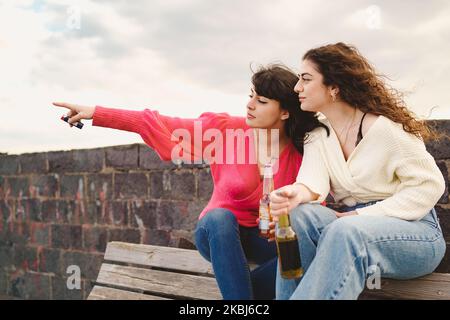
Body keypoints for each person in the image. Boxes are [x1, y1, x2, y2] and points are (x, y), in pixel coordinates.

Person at [52, 64, 327, 300]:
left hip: (265, 240)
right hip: (218, 235)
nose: (250, 105)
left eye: (262, 101)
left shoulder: (304, 150)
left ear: (285, 113)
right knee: (220, 218)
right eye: (250, 96)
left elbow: (316, 200)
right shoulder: (226, 131)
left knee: (302, 253)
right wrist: (96, 113)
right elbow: (156, 122)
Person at [269, 43, 446, 300]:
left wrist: (361, 215)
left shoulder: (386, 130)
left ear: (333, 88)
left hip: (415, 232)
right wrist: (295, 193)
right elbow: (311, 182)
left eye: (306, 79)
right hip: (349, 226)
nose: (297, 87)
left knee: (346, 231)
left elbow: (429, 186)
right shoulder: (318, 133)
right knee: (298, 217)